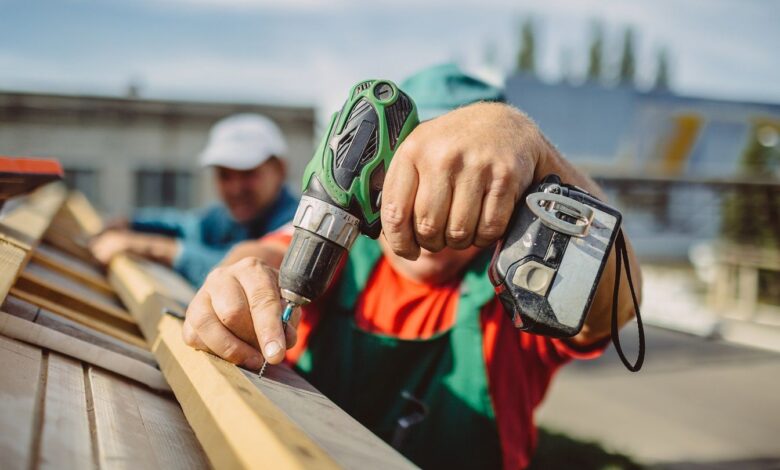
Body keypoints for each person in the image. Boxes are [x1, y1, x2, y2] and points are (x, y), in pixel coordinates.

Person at [182, 64, 642, 469]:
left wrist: (533, 148)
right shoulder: (339, 251)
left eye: (468, 178)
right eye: (420, 169)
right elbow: (263, 257)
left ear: (509, 189)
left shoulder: (524, 283)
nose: (436, 197)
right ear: (375, 167)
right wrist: (238, 285)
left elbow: (618, 304)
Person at [90, 113, 298, 286]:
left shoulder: (299, 227)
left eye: (248, 173)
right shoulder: (225, 217)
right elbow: (186, 225)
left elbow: (237, 272)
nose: (235, 188)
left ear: (280, 170)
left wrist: (152, 247)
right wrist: (131, 223)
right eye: (224, 175)